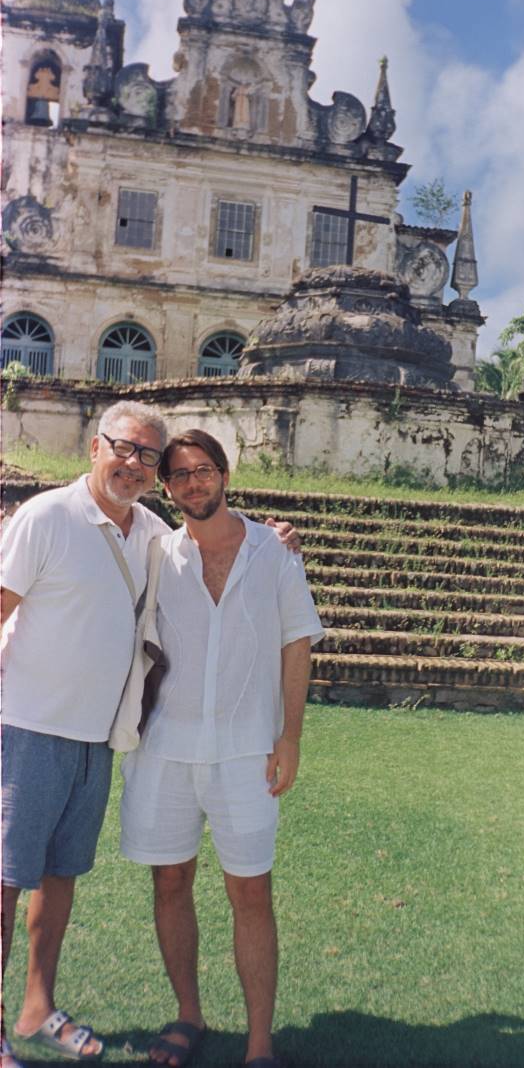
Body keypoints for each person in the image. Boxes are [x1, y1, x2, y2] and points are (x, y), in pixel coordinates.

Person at [0, 404, 297, 1068]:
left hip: (98, 736)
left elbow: (229, 544)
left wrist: (276, 539)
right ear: (94, 446)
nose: (133, 465)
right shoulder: (47, 516)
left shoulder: (150, 534)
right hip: (27, 723)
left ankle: (37, 1005)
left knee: (58, 876)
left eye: (147, 458)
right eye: (125, 450)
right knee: (5, 879)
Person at [119, 429, 323, 1068]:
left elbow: (297, 642)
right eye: (179, 475)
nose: (193, 483)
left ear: (226, 475)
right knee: (171, 881)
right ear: (168, 487)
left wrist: (289, 736)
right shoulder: (157, 552)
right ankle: (189, 1016)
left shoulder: (273, 551)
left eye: (204, 470)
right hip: (165, 750)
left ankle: (260, 1044)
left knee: (251, 892)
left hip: (245, 750)